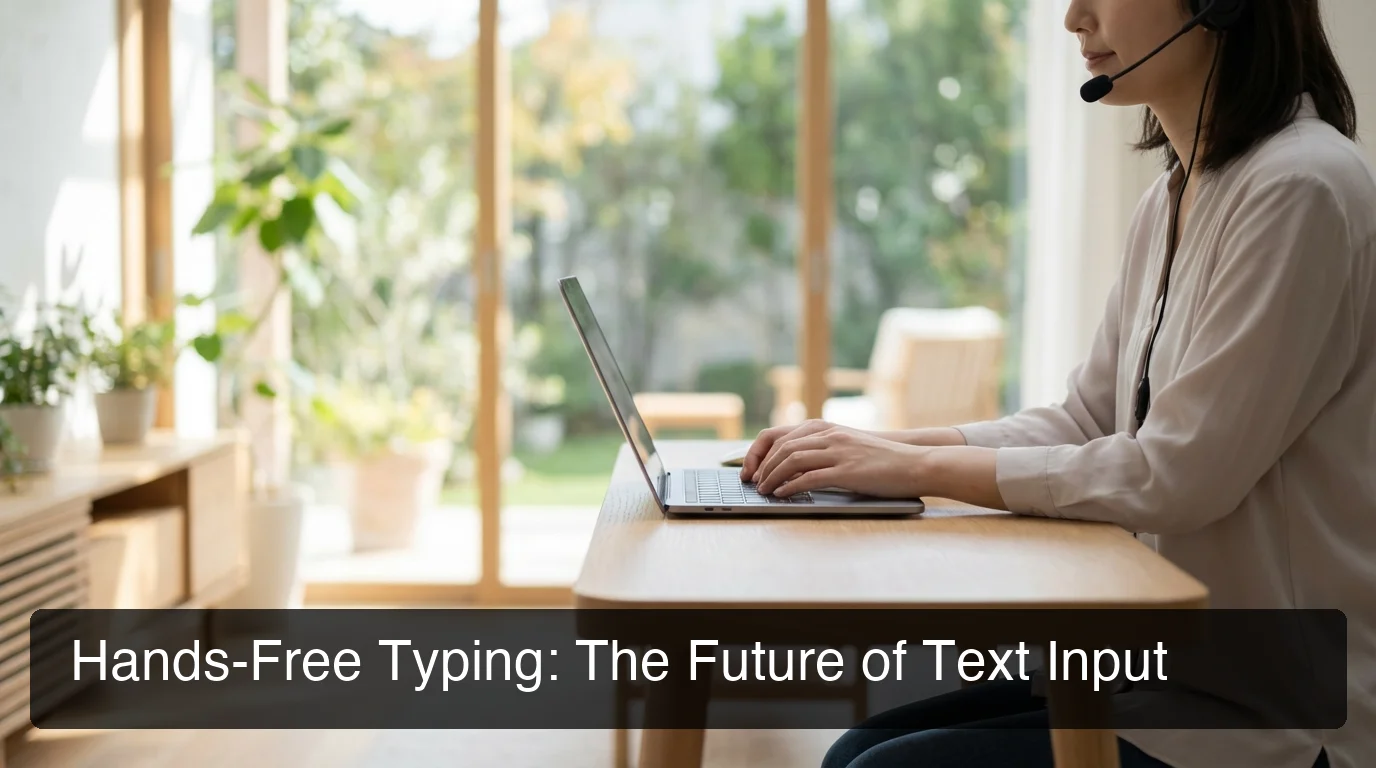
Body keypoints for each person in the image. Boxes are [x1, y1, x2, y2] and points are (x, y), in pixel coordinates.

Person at [738, 0, 1376, 767]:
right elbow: (1086, 418)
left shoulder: (1302, 188)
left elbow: (1176, 475)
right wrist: (872, 447)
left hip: (1273, 717)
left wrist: (915, 469)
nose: (1074, 18)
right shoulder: (1174, 197)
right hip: (1165, 676)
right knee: (857, 750)